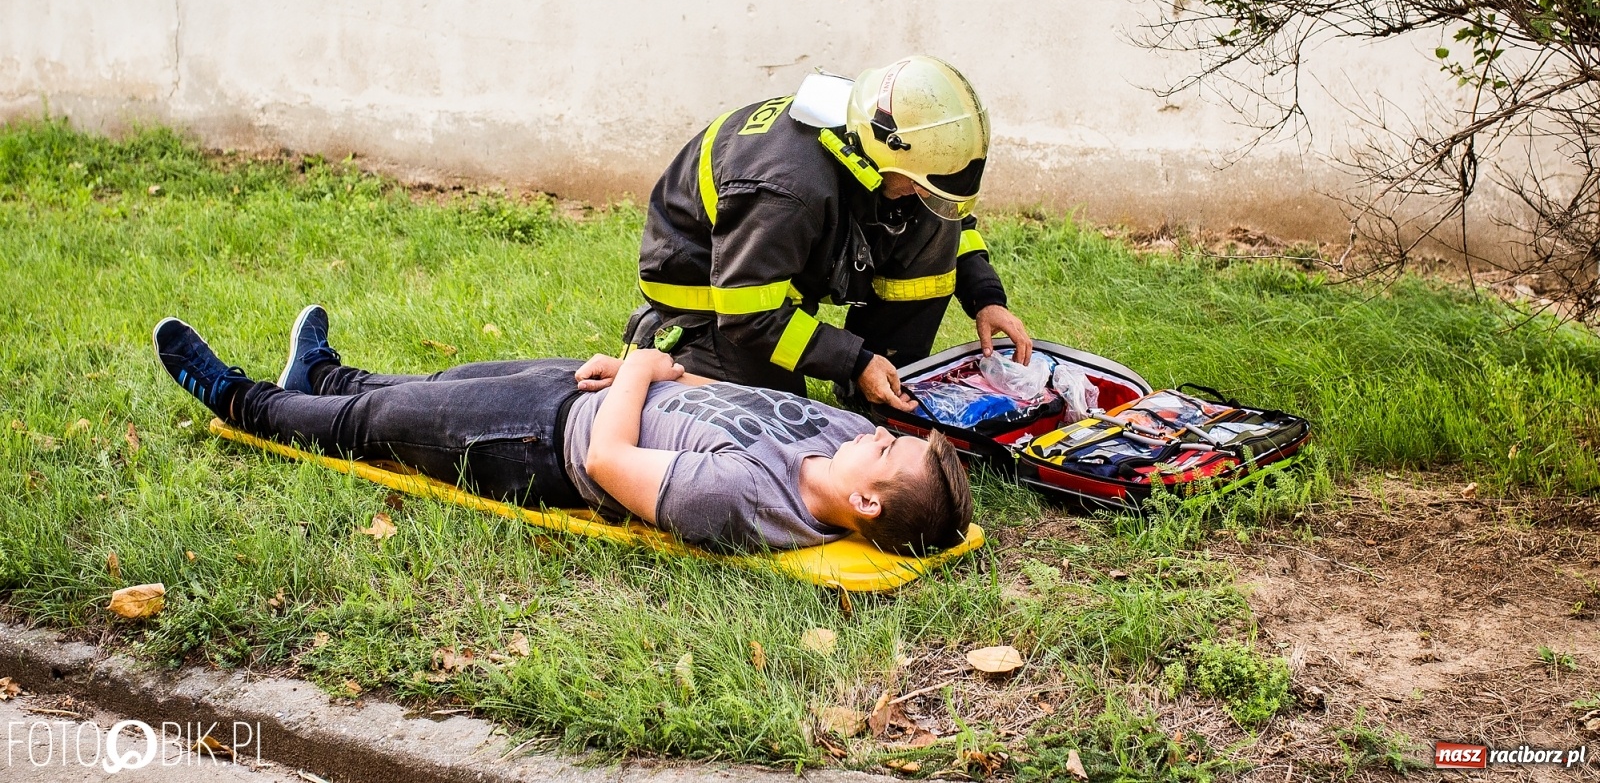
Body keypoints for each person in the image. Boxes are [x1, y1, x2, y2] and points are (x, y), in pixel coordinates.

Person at [153, 306, 973, 555]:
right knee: (429, 384)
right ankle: (322, 376)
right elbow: (726, 395)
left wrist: (642, 368)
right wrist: (664, 372)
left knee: (377, 426)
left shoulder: (745, 502)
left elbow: (609, 460)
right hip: (597, 387)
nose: (876, 433)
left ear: (867, 500)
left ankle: (238, 397)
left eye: (889, 449)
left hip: (542, 441)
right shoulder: (836, 434)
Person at [633, 55, 1033, 414]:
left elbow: (951, 222)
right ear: (884, 152)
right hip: (714, 291)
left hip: (774, 258)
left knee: (928, 220)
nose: (926, 195)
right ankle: (676, 338)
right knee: (781, 419)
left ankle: (886, 375)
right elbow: (746, 312)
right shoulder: (786, 191)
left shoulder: (878, 140)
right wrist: (853, 361)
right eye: (919, 183)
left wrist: (985, 299)